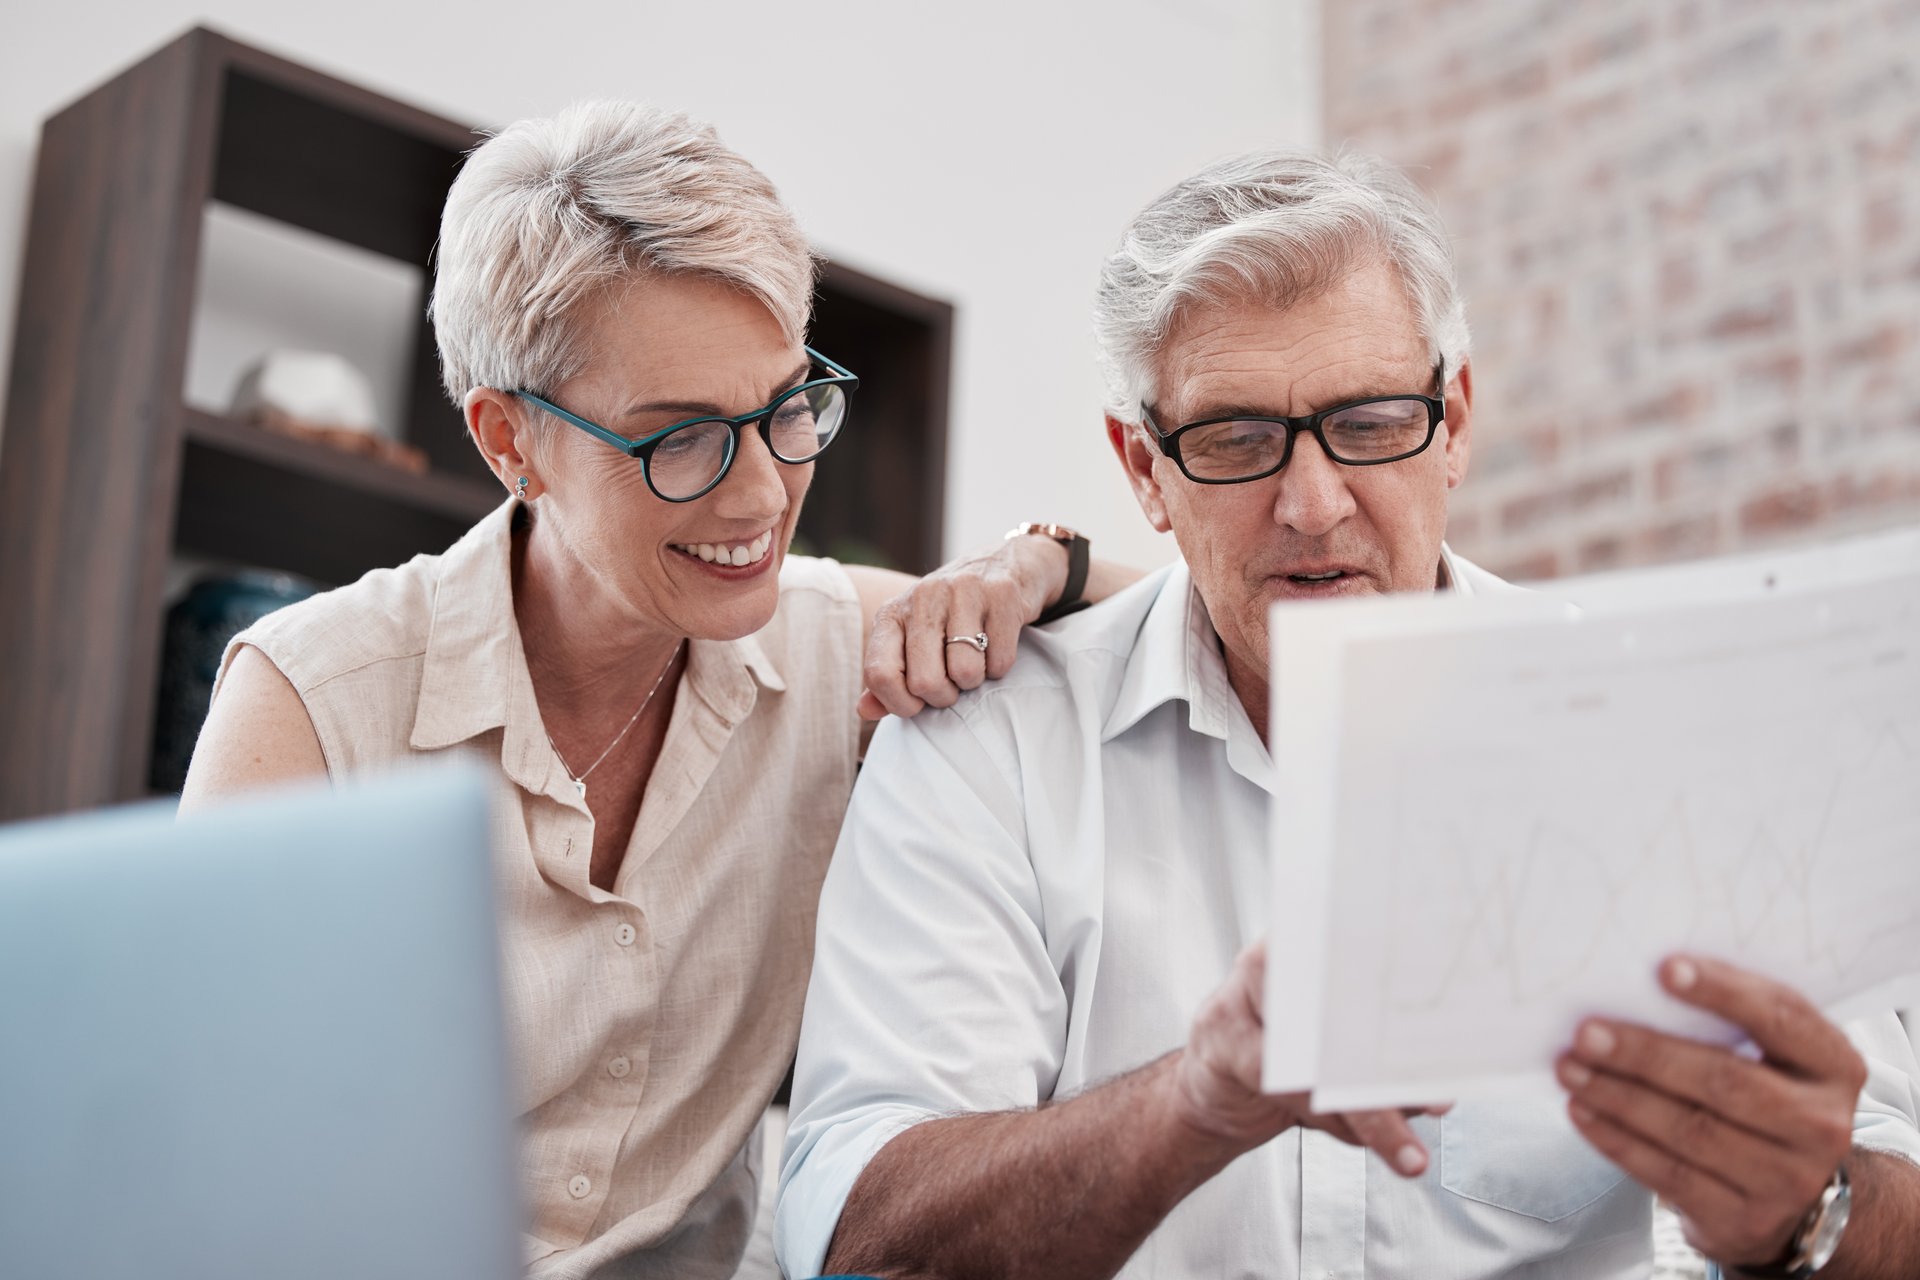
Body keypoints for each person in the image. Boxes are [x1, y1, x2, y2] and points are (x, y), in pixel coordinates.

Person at [775, 150, 1920, 1279]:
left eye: (1370, 423)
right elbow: (859, 1230)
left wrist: (1802, 1213)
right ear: (1144, 471)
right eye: (1234, 440)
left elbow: (1892, 1201)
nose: (1313, 505)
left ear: (1455, 420)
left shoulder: (1677, 746)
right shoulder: (988, 750)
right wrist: (1196, 1100)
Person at [180, 100, 1130, 1279]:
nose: (761, 497)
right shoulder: (314, 703)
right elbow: (199, 1176)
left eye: (788, 410)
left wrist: (1034, 554)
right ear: (509, 442)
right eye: (679, 439)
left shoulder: (835, 645)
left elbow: (1187, 617)